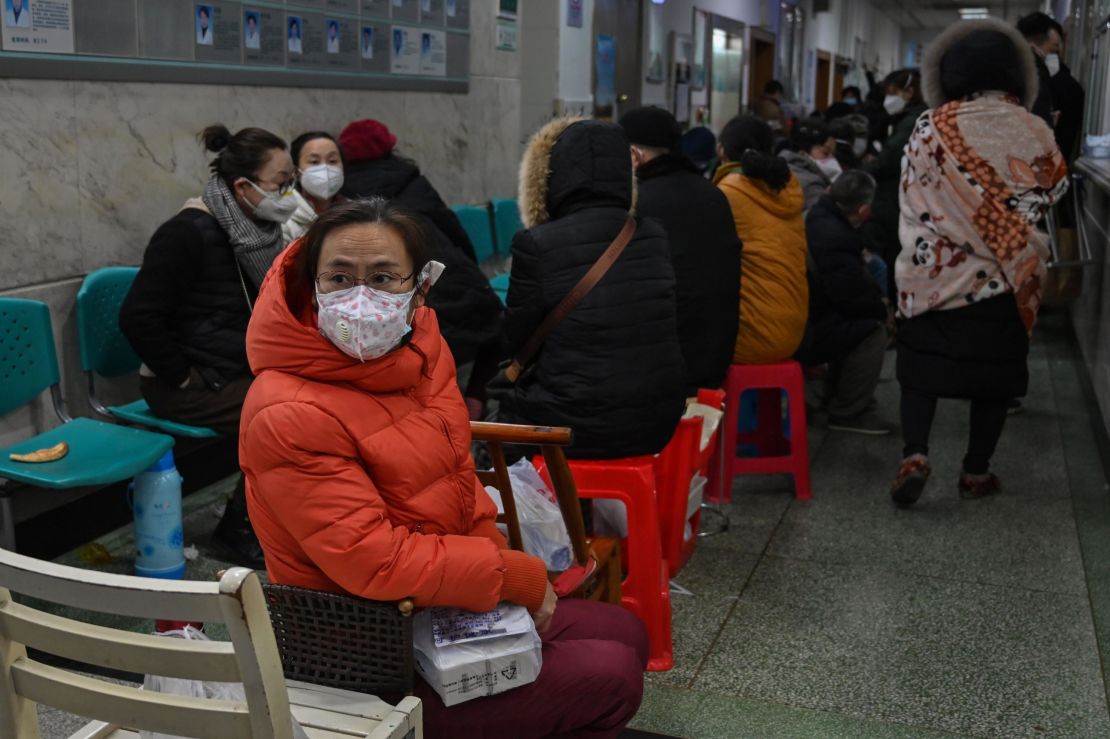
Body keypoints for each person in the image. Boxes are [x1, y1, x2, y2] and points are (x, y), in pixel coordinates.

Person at [239, 198, 648, 738]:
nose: (361, 297)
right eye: (339, 277)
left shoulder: (420, 352)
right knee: (611, 676)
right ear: (310, 287)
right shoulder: (286, 409)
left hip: (442, 600)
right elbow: (374, 560)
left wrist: (497, 575)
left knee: (626, 630)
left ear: (420, 287)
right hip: (367, 646)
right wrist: (511, 577)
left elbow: (458, 479)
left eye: (383, 277)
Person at [890, 18, 1068, 506]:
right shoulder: (1033, 128)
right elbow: (1053, 187)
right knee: (994, 377)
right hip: (1004, 280)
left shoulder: (931, 126)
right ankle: (975, 472)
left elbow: (909, 192)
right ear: (1018, 75)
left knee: (920, 371)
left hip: (932, 277)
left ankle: (916, 453)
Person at [120, 125, 296, 568]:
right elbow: (138, 316)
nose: (289, 193)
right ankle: (238, 531)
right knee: (290, 419)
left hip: (232, 372)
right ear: (243, 185)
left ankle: (279, 519)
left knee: (314, 401)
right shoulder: (187, 232)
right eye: (281, 183)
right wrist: (182, 374)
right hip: (182, 384)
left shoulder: (257, 231)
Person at [497, 117, 686, 459]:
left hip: (574, 426)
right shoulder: (653, 234)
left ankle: (527, 509)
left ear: (550, 177)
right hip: (656, 419)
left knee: (503, 419)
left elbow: (516, 339)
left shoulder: (537, 243)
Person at [338, 119, 504, 415]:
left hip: (410, 303)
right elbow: (454, 231)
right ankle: (475, 401)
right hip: (457, 284)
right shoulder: (412, 180)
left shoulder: (343, 196)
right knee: (493, 328)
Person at [619, 106, 741, 395]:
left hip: (659, 369)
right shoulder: (714, 193)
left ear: (635, 156)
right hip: (715, 357)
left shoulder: (638, 204)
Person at [801, 171, 890, 434]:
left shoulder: (819, 216)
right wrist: (883, 311)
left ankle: (839, 394)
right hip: (810, 327)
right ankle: (848, 411)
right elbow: (850, 298)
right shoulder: (835, 236)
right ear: (863, 211)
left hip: (808, 313)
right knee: (873, 331)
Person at [714, 115, 808, 364]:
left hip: (750, 337)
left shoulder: (728, 194)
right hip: (794, 330)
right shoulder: (786, 188)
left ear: (721, 150)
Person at [862, 68, 927, 296]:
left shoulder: (911, 122)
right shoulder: (909, 118)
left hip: (894, 200)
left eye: (893, 92)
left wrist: (863, 167)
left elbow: (886, 161)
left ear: (909, 92)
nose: (889, 99)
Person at [283, 131, 346, 243]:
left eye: (332, 161)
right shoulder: (283, 220)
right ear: (296, 171)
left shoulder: (355, 213)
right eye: (314, 162)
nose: (325, 169)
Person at [779, 119, 840, 211]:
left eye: (833, 154)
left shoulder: (782, 166)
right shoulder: (812, 186)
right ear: (803, 153)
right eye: (826, 153)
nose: (832, 158)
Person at [1017, 12, 1061, 126]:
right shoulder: (1034, 70)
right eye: (1050, 50)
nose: (1051, 55)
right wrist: (1048, 121)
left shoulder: (1013, 63)